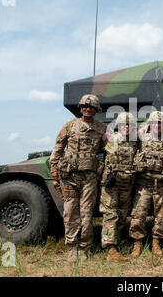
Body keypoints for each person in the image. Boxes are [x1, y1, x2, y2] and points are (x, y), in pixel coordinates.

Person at [49, 94, 107, 262]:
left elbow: (109, 149)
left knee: (87, 213)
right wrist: (54, 168)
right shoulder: (69, 126)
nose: (87, 109)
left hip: (89, 178)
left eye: (90, 107)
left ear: (95, 110)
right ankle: (71, 247)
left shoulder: (101, 129)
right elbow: (58, 147)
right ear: (81, 108)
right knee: (70, 211)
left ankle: (84, 247)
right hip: (70, 176)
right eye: (84, 107)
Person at [129, 111, 163, 257]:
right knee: (138, 215)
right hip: (144, 183)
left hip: (162, 184)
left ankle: (156, 242)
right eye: (154, 122)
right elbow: (124, 136)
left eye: (160, 122)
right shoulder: (141, 136)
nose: (157, 125)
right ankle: (137, 244)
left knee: (161, 216)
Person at [99, 112, 138, 261]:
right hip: (112, 185)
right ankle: (111, 250)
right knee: (110, 215)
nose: (126, 127)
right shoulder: (110, 139)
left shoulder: (135, 141)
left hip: (126, 184)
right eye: (123, 124)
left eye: (129, 125)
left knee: (122, 216)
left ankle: (117, 243)